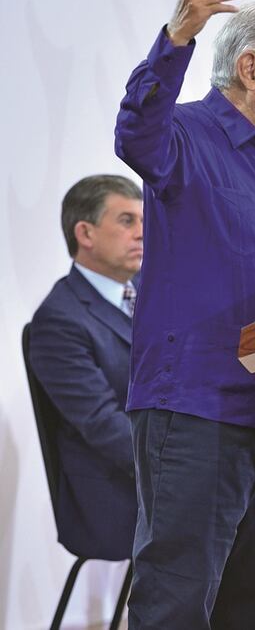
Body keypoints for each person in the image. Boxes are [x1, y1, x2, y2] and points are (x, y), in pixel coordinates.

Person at [114, 0, 255, 628]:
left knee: (249, 609)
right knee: (176, 604)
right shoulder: (185, 136)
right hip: (197, 410)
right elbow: (135, 135)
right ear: (250, 67)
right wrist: (177, 38)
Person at [28, 174, 143, 563]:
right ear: (86, 233)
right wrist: (183, 463)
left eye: (146, 222)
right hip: (116, 495)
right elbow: (103, 425)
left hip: (167, 467)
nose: (143, 234)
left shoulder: (155, 288)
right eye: (127, 221)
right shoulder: (59, 320)